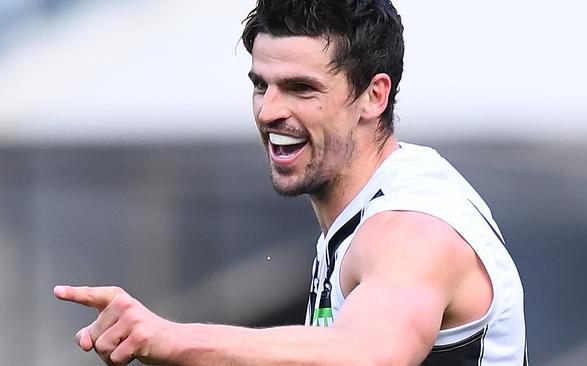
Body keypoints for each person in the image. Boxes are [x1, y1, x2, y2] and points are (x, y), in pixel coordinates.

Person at [54, 0, 528, 365]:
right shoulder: (360, 212)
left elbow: (368, 356)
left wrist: (175, 341)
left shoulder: (411, 228)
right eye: (261, 84)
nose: (268, 111)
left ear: (373, 96)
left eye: (302, 89)